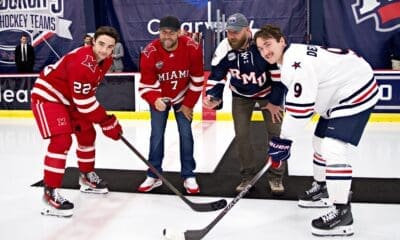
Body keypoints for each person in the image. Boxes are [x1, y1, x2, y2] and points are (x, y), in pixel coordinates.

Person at [254, 25, 379, 236]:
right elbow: (303, 101)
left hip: (356, 91)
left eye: (268, 44)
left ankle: (342, 214)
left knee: (332, 148)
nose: (265, 52)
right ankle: (322, 188)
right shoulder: (291, 58)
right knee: (319, 141)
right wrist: (283, 141)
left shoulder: (295, 64)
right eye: (260, 49)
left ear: (281, 41)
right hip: (340, 92)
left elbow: (301, 111)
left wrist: (283, 141)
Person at [31, 26, 123, 217]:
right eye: (101, 44)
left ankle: (87, 177)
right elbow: (84, 101)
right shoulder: (82, 60)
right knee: (62, 140)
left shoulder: (106, 62)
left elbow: (85, 94)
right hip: (49, 96)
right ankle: (50, 192)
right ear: (93, 42)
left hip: (71, 100)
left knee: (87, 133)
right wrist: (106, 121)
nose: (104, 50)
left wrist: (103, 122)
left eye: (109, 47)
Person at [203, 13, 286, 195]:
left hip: (269, 93)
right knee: (241, 135)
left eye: (236, 32)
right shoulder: (224, 48)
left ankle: (276, 177)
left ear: (247, 31)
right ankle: (248, 176)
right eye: (229, 32)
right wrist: (212, 96)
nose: (231, 36)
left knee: (276, 135)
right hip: (240, 95)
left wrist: (275, 102)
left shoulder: (263, 43)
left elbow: (280, 78)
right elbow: (217, 77)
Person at [138, 15, 204, 194]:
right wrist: (155, 100)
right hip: (160, 97)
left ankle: (189, 175)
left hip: (183, 96)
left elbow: (197, 80)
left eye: (171, 33)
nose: (167, 36)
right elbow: (145, 85)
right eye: (163, 32)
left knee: (186, 133)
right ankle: (154, 174)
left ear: (179, 33)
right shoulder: (149, 52)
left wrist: (189, 104)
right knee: (157, 135)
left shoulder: (192, 48)